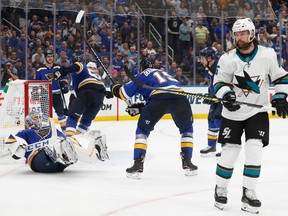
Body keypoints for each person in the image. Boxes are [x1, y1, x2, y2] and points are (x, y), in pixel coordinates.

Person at [213, 18, 288, 214]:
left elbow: (281, 76)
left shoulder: (267, 55)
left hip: (258, 110)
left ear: (252, 34)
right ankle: (220, 187)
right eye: (237, 34)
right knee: (230, 151)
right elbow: (219, 83)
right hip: (232, 112)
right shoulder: (227, 58)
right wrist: (226, 95)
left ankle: (249, 192)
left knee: (254, 148)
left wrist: (280, 96)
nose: (239, 37)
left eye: (243, 33)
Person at [110, 57, 197, 179]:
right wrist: (143, 108)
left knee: (142, 130)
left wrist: (115, 88)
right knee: (187, 129)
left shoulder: (143, 74)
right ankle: (188, 162)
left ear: (141, 68)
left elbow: (123, 94)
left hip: (159, 98)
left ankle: (138, 164)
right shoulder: (163, 72)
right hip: (180, 97)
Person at [3, 111, 109, 173]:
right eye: (35, 118)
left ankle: (96, 150)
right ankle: (56, 153)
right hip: (39, 161)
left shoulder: (51, 128)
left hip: (59, 165)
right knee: (57, 146)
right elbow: (16, 152)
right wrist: (16, 144)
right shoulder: (25, 132)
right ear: (29, 121)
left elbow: (64, 140)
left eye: (39, 118)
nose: (38, 120)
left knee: (70, 140)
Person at [53, 58, 113, 136]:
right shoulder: (96, 76)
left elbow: (77, 65)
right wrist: (105, 93)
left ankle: (70, 138)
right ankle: (79, 137)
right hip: (100, 96)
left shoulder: (82, 69)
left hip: (86, 92)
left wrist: (63, 71)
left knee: (73, 118)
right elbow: (97, 87)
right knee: (86, 120)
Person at [36, 50, 68, 132]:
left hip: (57, 94)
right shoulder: (40, 69)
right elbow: (36, 82)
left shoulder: (57, 68)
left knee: (61, 114)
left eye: (51, 56)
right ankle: (46, 132)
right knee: (45, 115)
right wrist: (35, 92)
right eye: (48, 56)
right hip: (44, 95)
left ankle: (65, 132)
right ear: (45, 58)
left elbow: (63, 77)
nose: (50, 58)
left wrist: (64, 84)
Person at [199, 47, 222, 157]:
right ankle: (212, 145)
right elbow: (212, 83)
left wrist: (216, 95)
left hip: (222, 99)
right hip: (215, 98)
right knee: (211, 119)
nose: (201, 60)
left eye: (202, 58)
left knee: (219, 120)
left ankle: (225, 146)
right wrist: (210, 94)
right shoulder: (209, 68)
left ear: (209, 58)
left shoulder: (219, 67)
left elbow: (224, 83)